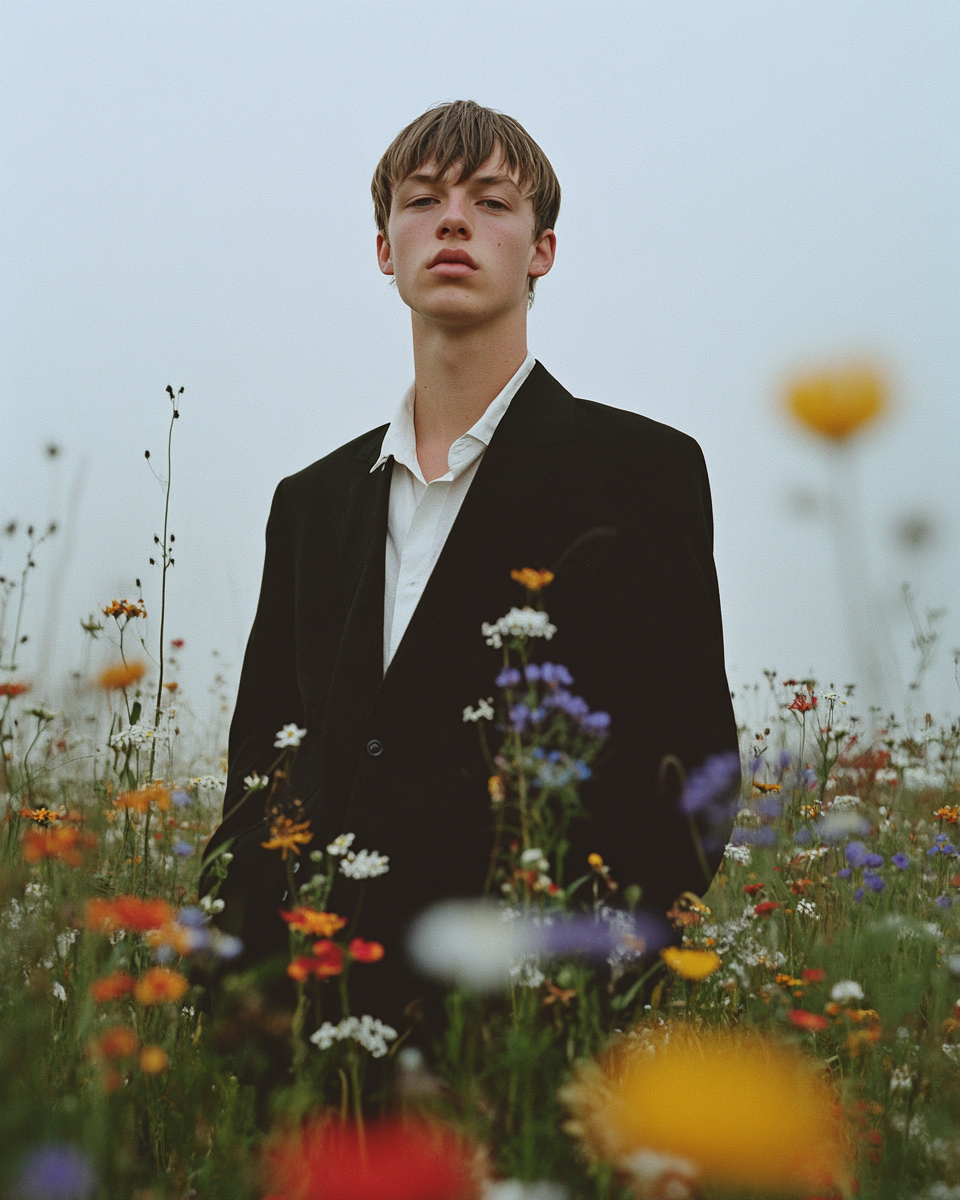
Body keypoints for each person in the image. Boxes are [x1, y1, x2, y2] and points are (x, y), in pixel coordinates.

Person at [202, 100, 738, 1030]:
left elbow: (690, 768)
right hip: (312, 1024)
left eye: (492, 201)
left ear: (543, 252)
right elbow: (264, 771)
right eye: (423, 200)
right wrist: (242, 992)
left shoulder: (643, 472)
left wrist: (578, 996)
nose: (453, 220)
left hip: (528, 1034)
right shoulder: (311, 502)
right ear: (384, 250)